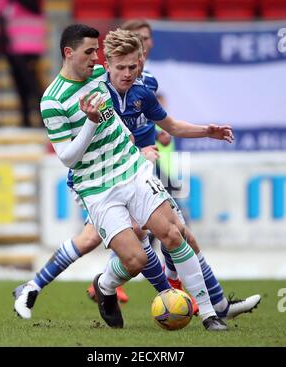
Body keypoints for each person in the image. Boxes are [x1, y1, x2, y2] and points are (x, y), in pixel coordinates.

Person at [13, 25, 258, 331]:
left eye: (99, 53)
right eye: (91, 52)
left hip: (132, 168)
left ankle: (209, 312)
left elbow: (134, 111)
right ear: (69, 53)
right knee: (135, 259)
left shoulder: (107, 76)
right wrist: (93, 124)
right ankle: (102, 286)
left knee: (174, 233)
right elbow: (67, 157)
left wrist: (189, 132)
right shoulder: (53, 100)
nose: (97, 58)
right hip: (96, 185)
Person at [0, 0, 46, 127]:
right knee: (20, 84)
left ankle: (44, 117)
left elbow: (36, 7)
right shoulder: (4, 3)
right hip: (13, 47)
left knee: (32, 84)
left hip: (32, 47)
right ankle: (25, 119)